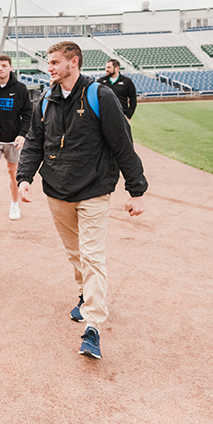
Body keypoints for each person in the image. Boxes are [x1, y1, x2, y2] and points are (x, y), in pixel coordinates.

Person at [17, 41, 147, 361]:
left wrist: (136, 189)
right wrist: (24, 178)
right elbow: (35, 141)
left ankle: (93, 327)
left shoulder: (100, 96)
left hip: (94, 189)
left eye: (55, 62)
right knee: (75, 252)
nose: (49, 67)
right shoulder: (46, 99)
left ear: (74, 62)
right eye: (48, 62)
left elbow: (122, 143)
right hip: (57, 190)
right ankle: (83, 295)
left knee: (92, 255)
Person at [0, 54, 32, 220]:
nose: (0, 69)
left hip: (12, 140)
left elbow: (28, 114)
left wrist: (22, 135)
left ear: (11, 67)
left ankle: (15, 205)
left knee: (13, 173)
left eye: (4, 65)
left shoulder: (20, 88)